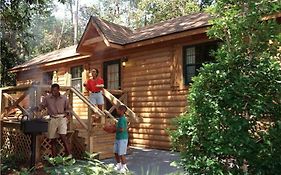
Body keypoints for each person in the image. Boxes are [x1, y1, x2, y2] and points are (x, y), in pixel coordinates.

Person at [34, 83, 71, 157]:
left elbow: (68, 108)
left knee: (63, 136)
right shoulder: (47, 98)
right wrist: (36, 108)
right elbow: (41, 106)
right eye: (52, 90)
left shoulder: (64, 98)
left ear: (58, 90)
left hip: (62, 118)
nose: (53, 92)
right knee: (52, 139)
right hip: (52, 118)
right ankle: (54, 158)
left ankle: (69, 155)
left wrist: (67, 115)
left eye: (55, 90)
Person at [105, 105, 129, 173]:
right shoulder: (120, 119)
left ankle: (124, 167)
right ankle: (119, 165)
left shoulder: (122, 119)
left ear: (122, 111)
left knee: (121, 153)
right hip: (118, 138)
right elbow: (118, 128)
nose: (117, 111)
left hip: (123, 138)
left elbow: (121, 129)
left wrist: (112, 129)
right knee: (116, 152)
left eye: (118, 109)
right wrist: (111, 129)